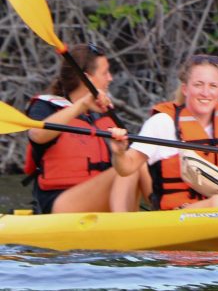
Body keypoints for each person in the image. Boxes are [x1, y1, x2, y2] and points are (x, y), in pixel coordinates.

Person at [110, 54, 218, 209]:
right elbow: (127, 168)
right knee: (217, 203)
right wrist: (119, 153)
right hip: (178, 214)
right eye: (198, 85)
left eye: (213, 86)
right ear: (185, 89)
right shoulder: (162, 123)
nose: (206, 93)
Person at [25, 43, 143, 213]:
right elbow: (37, 134)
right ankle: (126, 229)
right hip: (61, 206)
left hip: (98, 204)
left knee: (138, 159)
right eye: (105, 73)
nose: (110, 78)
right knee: (126, 170)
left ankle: (174, 213)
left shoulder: (105, 115)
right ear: (87, 79)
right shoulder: (46, 107)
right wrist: (81, 105)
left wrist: (120, 154)